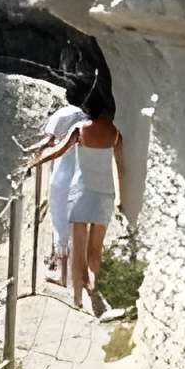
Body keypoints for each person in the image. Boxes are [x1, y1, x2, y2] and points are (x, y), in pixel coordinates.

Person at [32, 81, 125, 311]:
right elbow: (120, 167)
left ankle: (77, 299)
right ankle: (92, 285)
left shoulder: (80, 130)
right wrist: (121, 198)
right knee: (95, 249)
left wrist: (35, 161)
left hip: (81, 191)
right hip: (105, 193)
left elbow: (57, 150)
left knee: (78, 249)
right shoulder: (115, 132)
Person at [28, 81, 90, 284]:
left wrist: (32, 157)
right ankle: (78, 276)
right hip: (83, 173)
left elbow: (49, 143)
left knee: (60, 222)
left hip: (62, 173)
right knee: (77, 224)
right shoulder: (88, 118)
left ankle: (63, 277)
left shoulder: (61, 115)